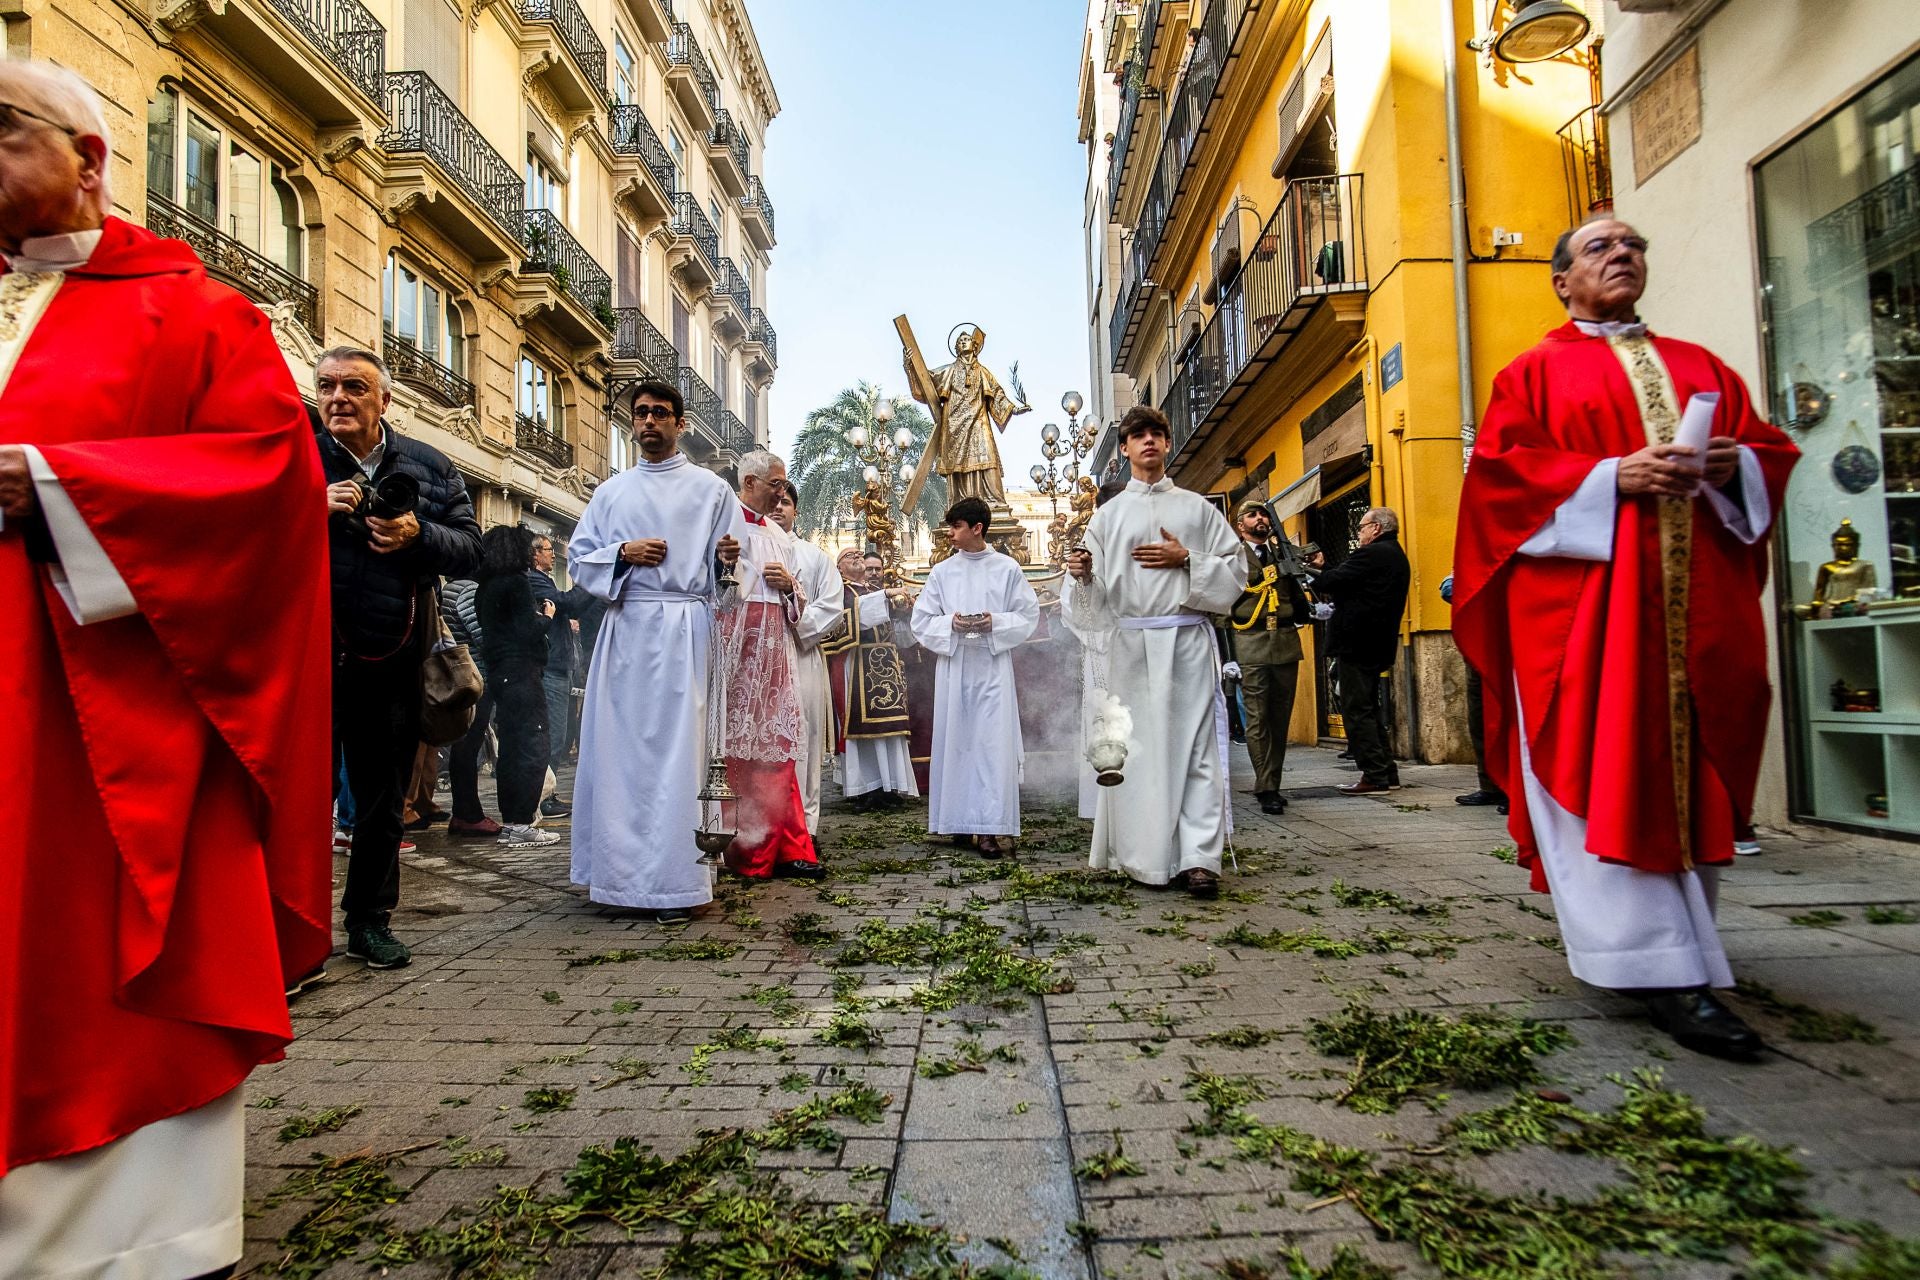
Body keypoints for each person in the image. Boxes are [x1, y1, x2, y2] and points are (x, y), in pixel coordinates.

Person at [0, 58, 330, 1277]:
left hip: (109, 717)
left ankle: (141, 1241)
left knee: (99, 968)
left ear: (89, 157)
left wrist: (52, 485)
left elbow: (268, 485)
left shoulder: (196, 314)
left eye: (0, 127)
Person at [1453, 216, 1798, 1060]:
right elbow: (1498, 484)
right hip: (1593, 621)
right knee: (1612, 763)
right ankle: (1659, 968)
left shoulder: (1702, 366)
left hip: (1696, 611)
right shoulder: (1529, 374)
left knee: (1687, 766)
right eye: (1601, 247)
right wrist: (1612, 475)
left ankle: (1687, 949)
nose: (1623, 255)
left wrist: (1733, 466)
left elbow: (1768, 451)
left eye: (1635, 244)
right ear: (1561, 279)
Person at [317, 347, 481, 968]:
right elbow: (237, 524)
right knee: (296, 797)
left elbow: (471, 551)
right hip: (305, 648)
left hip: (392, 654)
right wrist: (307, 506)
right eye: (327, 385)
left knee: (382, 798)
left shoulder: (432, 467)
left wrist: (420, 535)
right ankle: (291, 933)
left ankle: (369, 922)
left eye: (354, 386)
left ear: (383, 399)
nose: (339, 397)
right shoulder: (295, 451)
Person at [567, 379, 739, 922]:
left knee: (677, 756)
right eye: (640, 413)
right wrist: (623, 552)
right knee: (620, 756)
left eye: (660, 413)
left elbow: (733, 576)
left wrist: (725, 562)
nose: (648, 422)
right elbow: (578, 561)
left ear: (680, 423)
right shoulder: (611, 492)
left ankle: (676, 885)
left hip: (684, 629)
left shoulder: (712, 491)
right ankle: (618, 883)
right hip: (626, 631)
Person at [1065, 405, 1246, 898]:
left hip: (1186, 639)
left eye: (1156, 434)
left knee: (1196, 751)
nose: (1148, 441)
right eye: (1137, 435)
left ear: (1167, 444)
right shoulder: (1107, 517)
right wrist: (1083, 575)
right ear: (1123, 449)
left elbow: (1236, 574)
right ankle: (1145, 856)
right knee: (1137, 751)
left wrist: (1185, 558)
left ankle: (1197, 859)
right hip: (1132, 643)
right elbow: (1089, 606)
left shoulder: (1198, 510)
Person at [912, 498, 1041, 856]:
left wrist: (995, 622)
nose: (949, 534)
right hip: (955, 665)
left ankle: (988, 827)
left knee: (989, 745)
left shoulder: (1007, 568)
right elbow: (921, 620)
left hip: (992, 664)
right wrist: (950, 623)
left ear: (977, 528)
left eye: (955, 527)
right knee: (957, 742)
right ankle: (956, 821)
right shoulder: (942, 572)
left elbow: (1027, 616)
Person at [723, 450, 823, 879]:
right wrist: (725, 566)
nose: (783, 493)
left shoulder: (781, 537)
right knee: (732, 751)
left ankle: (789, 846)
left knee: (777, 749)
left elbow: (796, 598)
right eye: (776, 484)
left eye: (784, 485)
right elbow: (709, 591)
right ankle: (741, 849)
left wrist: (790, 589)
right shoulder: (721, 521)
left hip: (775, 652)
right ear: (749, 482)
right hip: (734, 653)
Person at [1313, 507, 1410, 795]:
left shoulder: (1373, 554)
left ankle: (1374, 775)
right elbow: (1346, 582)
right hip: (1377, 643)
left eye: (1362, 527)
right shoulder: (1393, 555)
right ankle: (1386, 772)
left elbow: (1330, 582)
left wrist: (1316, 571)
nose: (1359, 533)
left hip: (1358, 643)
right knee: (1369, 708)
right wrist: (1323, 567)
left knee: (1357, 711)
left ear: (1377, 528)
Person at [477, 526, 563, 849]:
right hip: (523, 673)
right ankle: (523, 821)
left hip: (500, 673)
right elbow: (527, 630)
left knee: (511, 748)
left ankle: (512, 821)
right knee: (533, 743)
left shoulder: (485, 587)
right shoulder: (516, 583)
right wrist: (547, 616)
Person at [769, 478, 845, 846]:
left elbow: (832, 609)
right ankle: (763, 826)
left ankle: (804, 828)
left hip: (801, 656)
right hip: (761, 663)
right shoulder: (749, 549)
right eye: (774, 500)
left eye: (785, 502)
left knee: (805, 740)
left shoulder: (814, 558)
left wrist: (797, 615)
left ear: (796, 510)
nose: (778, 507)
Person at [1223, 499, 1309, 814]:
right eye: (1252, 515)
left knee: (1279, 719)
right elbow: (1223, 609)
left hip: (1285, 640)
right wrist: (1228, 656)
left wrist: (1312, 608)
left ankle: (1273, 780)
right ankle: (1267, 785)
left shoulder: (1283, 553)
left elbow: (1296, 595)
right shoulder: (1232, 557)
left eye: (1263, 514)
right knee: (1257, 719)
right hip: (1251, 640)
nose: (1260, 518)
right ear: (1239, 524)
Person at [827, 548, 921, 809]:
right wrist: (886, 596)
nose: (857, 556)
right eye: (849, 556)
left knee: (889, 730)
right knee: (863, 729)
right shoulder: (839, 591)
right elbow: (846, 618)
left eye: (859, 553)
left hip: (885, 664)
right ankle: (866, 788)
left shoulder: (870, 589)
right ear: (839, 567)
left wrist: (903, 607)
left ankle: (889, 785)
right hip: (858, 664)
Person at [903, 325, 1032, 505]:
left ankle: (993, 503)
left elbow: (997, 394)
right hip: (955, 427)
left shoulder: (982, 372)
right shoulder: (948, 371)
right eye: (959, 341)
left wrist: (1015, 410)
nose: (963, 341)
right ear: (956, 348)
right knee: (958, 465)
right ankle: (962, 504)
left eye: (966, 339)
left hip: (979, 423)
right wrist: (909, 368)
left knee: (988, 458)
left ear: (975, 345)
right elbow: (924, 386)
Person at [528, 532, 589, 816]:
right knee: (552, 733)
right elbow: (565, 603)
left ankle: (547, 794)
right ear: (534, 554)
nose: (553, 554)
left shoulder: (544, 579)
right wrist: (589, 584)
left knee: (558, 733)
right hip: (551, 667)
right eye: (548, 549)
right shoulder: (535, 580)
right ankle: (543, 796)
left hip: (558, 666)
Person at [1440, 575, 1508, 813]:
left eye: (1363, 531)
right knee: (1480, 719)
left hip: (1509, 643)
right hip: (1479, 643)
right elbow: (1448, 588)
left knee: (1508, 719)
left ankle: (1514, 789)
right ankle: (1491, 786)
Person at [445, 573, 504, 837]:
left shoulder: (449, 589)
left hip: (459, 676)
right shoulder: (468, 590)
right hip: (475, 676)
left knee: (464, 746)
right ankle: (467, 813)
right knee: (469, 746)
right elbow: (482, 635)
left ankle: (465, 811)